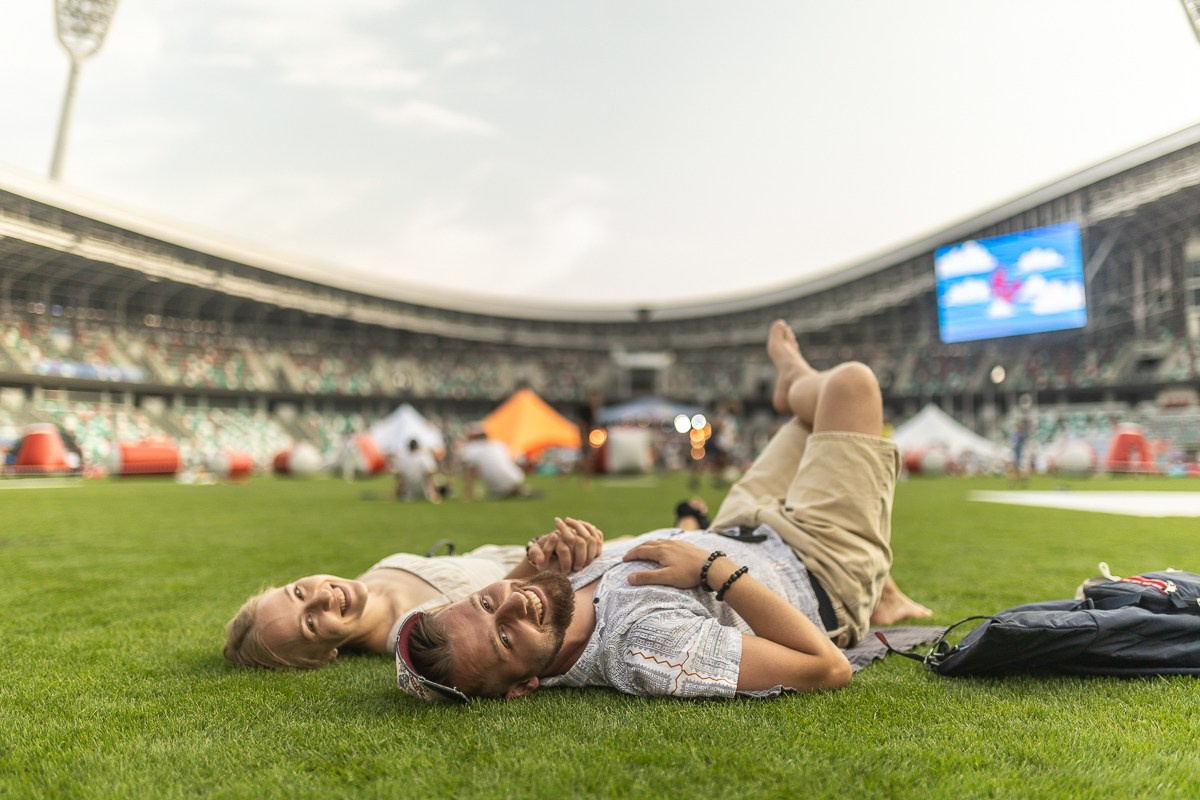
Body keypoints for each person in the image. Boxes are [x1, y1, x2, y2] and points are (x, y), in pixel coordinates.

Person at [397, 320, 932, 701]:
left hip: (739, 525)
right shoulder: (644, 646)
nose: (516, 605)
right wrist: (710, 570)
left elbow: (413, 617)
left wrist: (543, 566)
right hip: (820, 566)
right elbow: (826, 668)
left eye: (489, 604)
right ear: (522, 687)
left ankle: (794, 390)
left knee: (811, 420)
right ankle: (793, 381)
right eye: (506, 638)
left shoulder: (548, 595)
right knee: (851, 386)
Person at [222, 517, 604, 670]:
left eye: (298, 591)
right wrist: (543, 555)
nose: (322, 597)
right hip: (575, 572)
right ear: (325, 654)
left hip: (520, 551)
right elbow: (506, 603)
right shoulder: (418, 627)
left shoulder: (361, 582)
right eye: (310, 623)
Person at [460, 426, 538, 500]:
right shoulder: (499, 444)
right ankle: (522, 491)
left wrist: (468, 494)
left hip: (496, 487)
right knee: (509, 488)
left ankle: (519, 492)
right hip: (515, 478)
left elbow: (471, 471)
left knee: (498, 492)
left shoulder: (472, 448)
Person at [393, 438, 441, 503]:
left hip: (409, 494)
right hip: (425, 493)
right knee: (445, 487)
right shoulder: (424, 457)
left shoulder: (403, 459)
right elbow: (429, 475)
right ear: (418, 446)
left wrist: (393, 495)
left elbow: (400, 478)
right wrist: (433, 493)